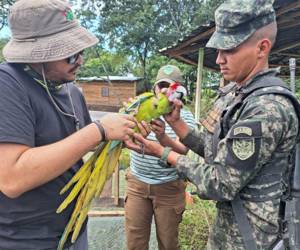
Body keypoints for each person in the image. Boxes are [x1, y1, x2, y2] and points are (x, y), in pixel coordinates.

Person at [126, 0, 300, 249]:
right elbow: (218, 150)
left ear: (262, 48)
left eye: (229, 50)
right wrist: (178, 126)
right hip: (229, 232)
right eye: (218, 50)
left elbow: (219, 183)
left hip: (253, 240)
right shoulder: (239, 94)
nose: (219, 59)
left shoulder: (267, 108)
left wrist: (162, 152)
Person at [0, 0, 146, 249]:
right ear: (38, 52)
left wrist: (116, 137)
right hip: (25, 240)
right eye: (71, 53)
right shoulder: (8, 84)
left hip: (73, 231)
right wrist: (99, 130)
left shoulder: (71, 91)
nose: (80, 60)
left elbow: (74, 147)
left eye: (80, 51)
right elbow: (12, 178)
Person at [125, 65, 196, 250]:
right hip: (137, 185)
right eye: (161, 86)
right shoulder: (141, 108)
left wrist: (162, 137)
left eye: (170, 87)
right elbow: (125, 137)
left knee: (168, 243)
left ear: (178, 90)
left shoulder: (184, 117)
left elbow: (183, 151)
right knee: (135, 243)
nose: (164, 91)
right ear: (154, 89)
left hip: (168, 188)